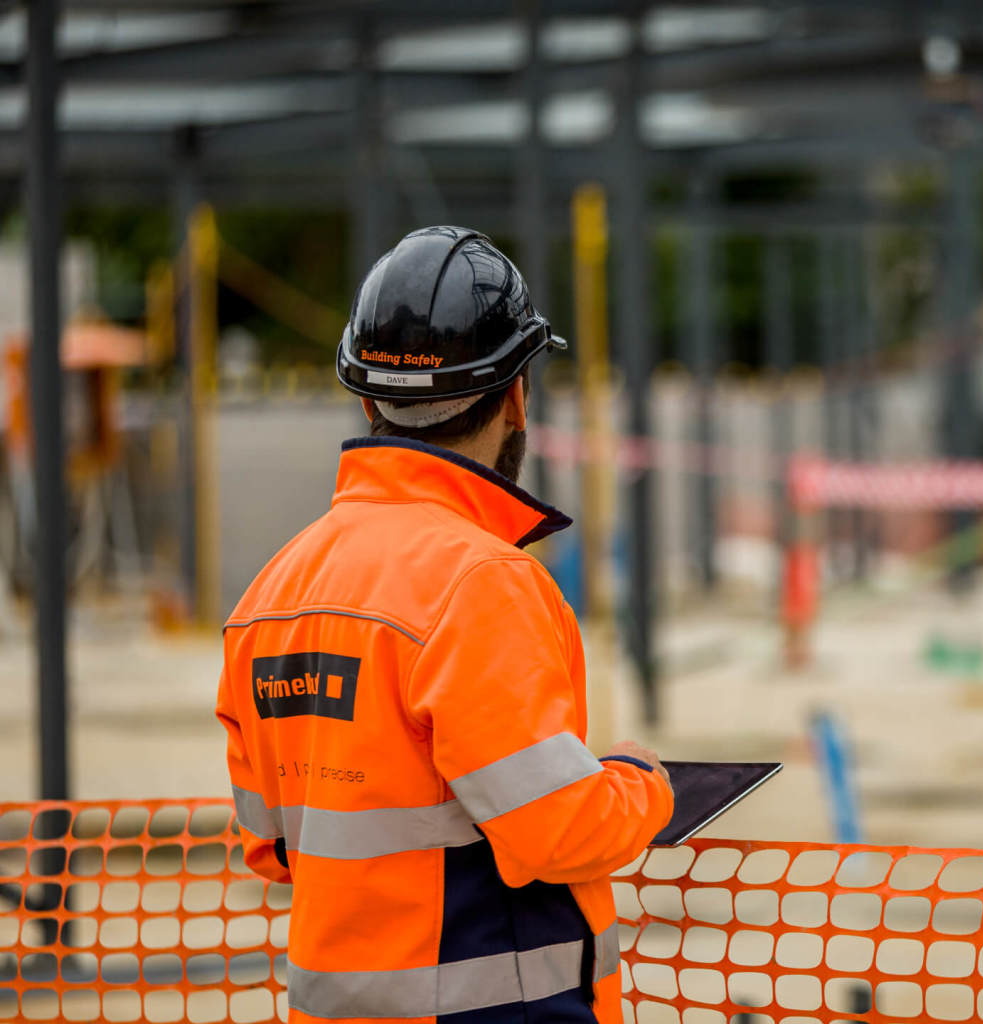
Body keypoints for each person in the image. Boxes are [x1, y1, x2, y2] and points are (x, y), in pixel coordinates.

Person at [216, 226, 674, 1024]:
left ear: (366, 400)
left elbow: (272, 846)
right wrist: (641, 785)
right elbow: (557, 833)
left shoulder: (270, 594)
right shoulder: (481, 582)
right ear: (517, 396)